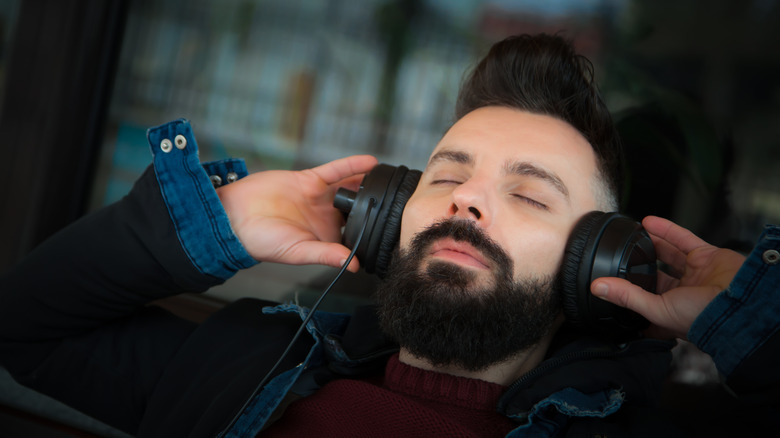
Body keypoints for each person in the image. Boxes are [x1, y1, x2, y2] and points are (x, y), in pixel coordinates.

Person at [0, 34, 777, 438]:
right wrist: (219, 220)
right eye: (448, 175)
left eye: (528, 195)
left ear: (596, 271)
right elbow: (27, 326)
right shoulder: (237, 368)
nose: (467, 200)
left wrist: (755, 325)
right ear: (386, 215)